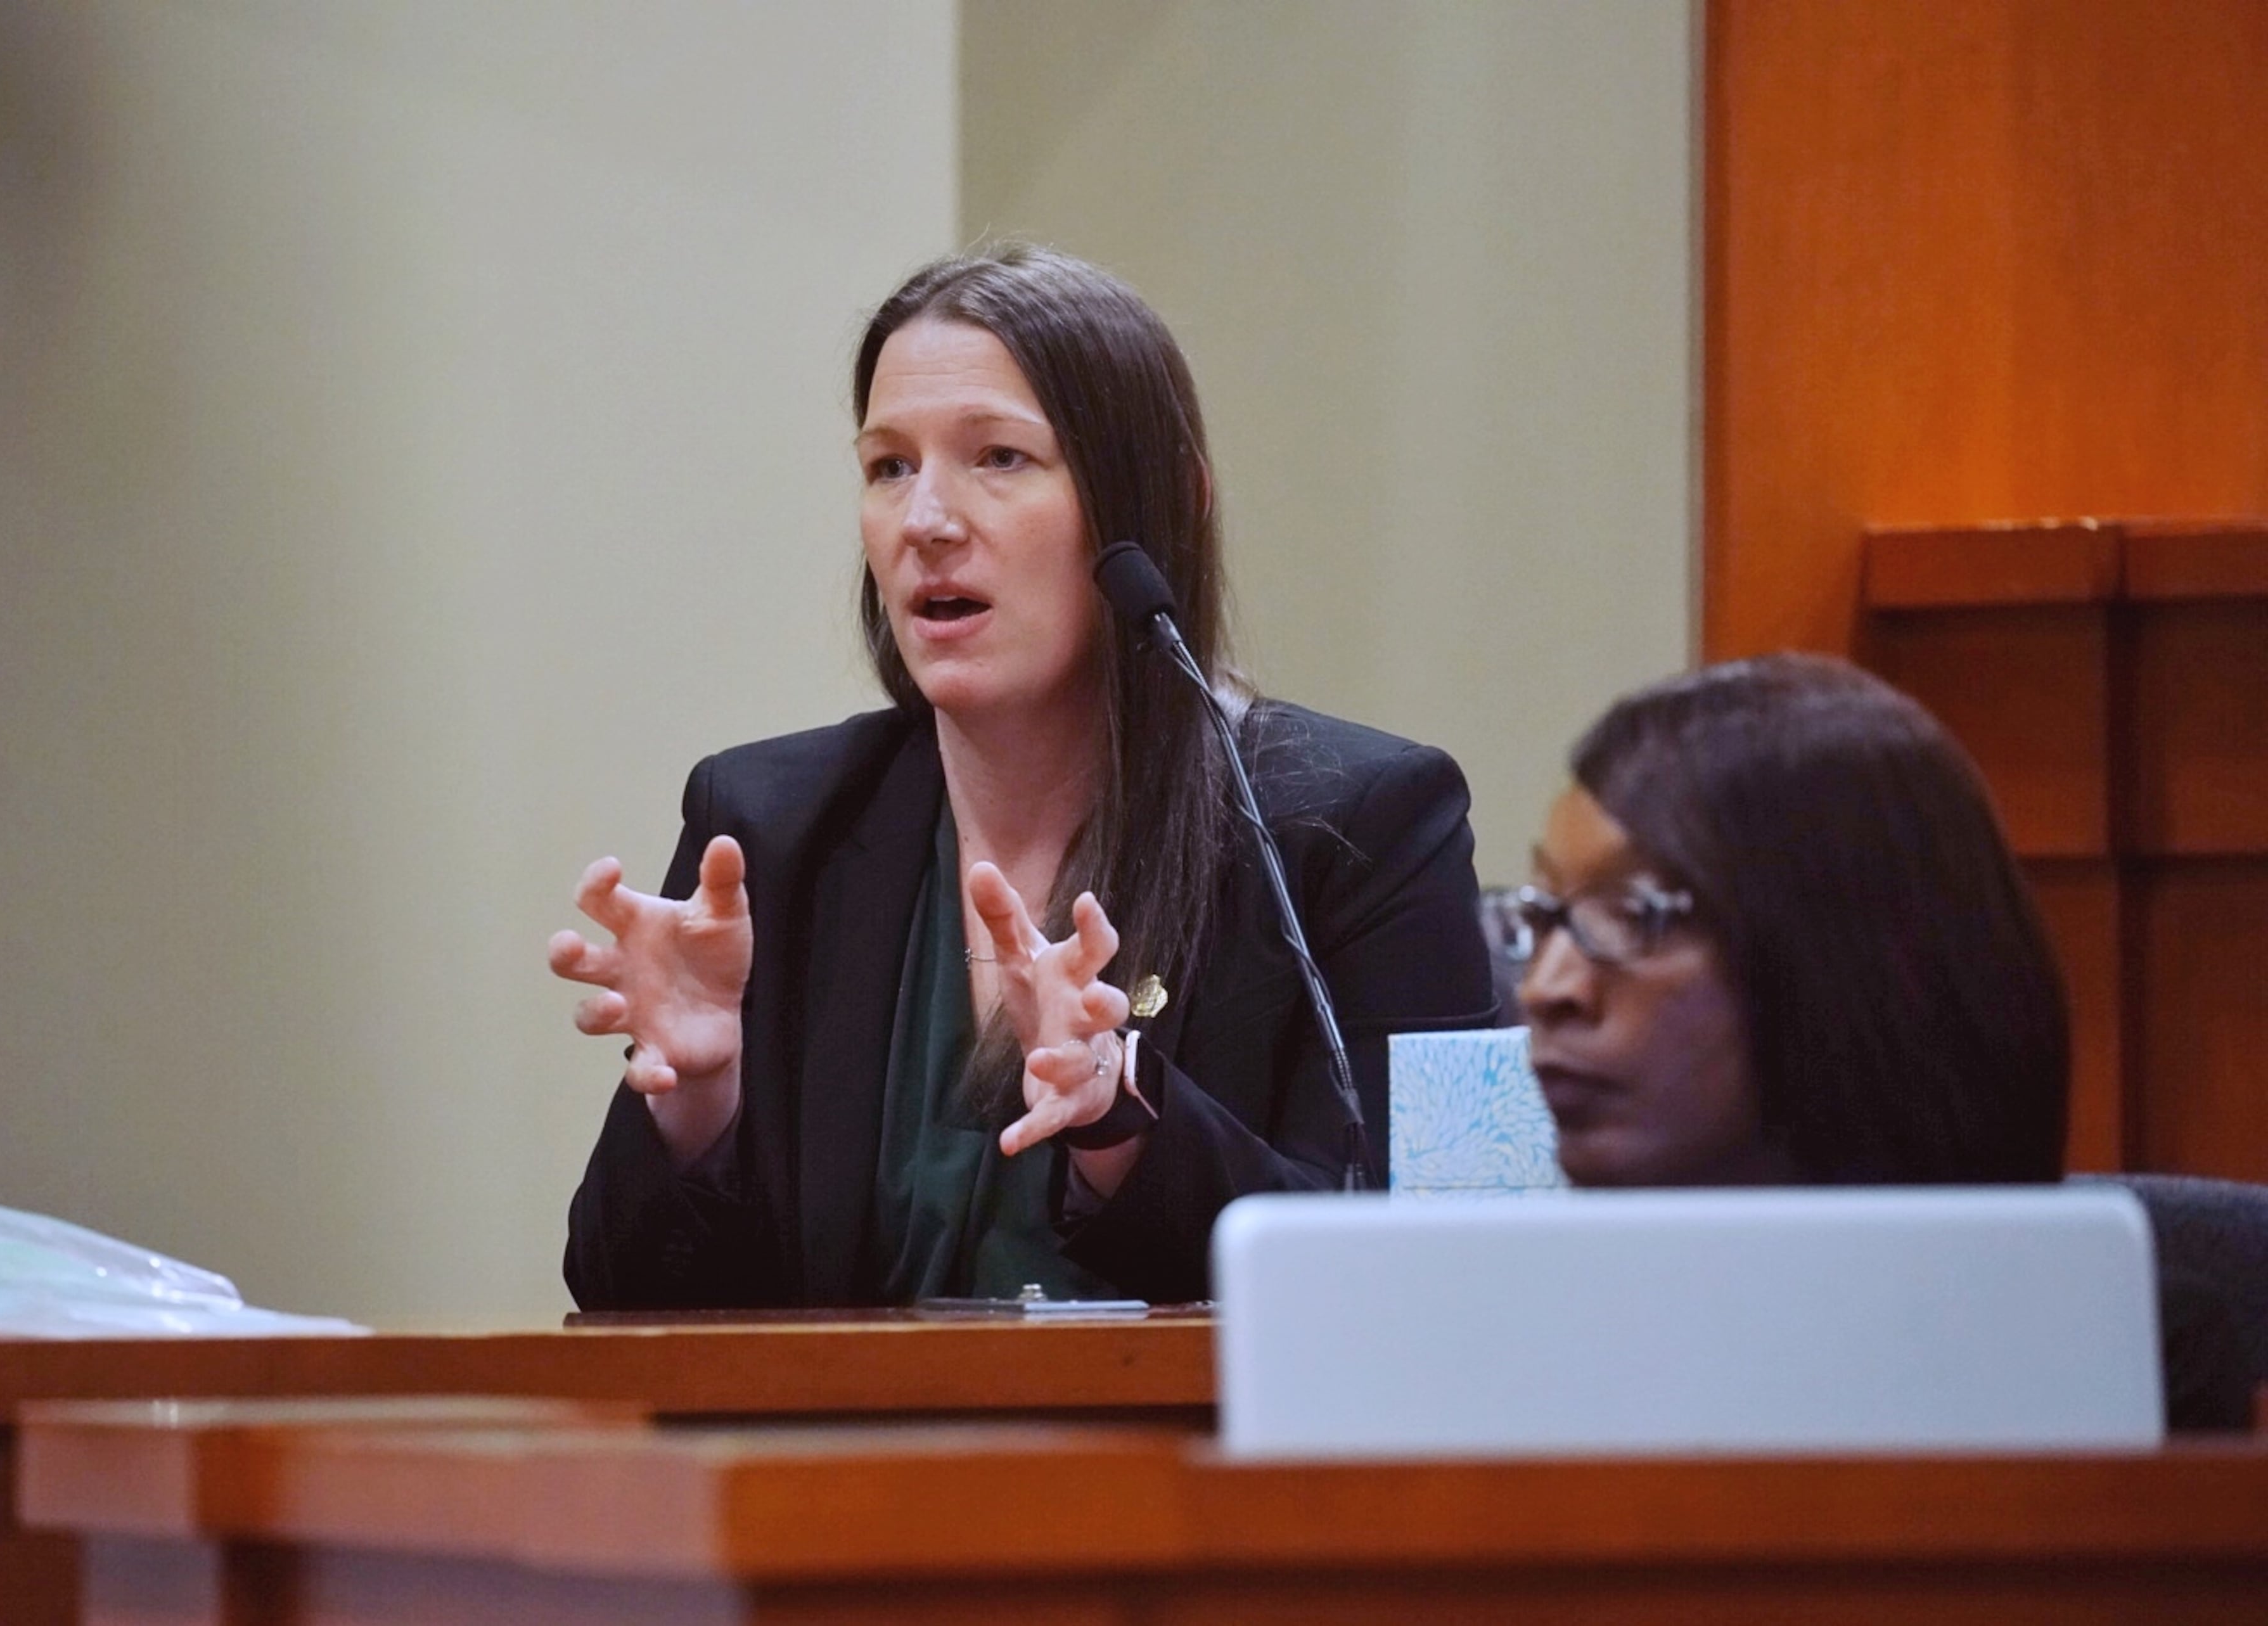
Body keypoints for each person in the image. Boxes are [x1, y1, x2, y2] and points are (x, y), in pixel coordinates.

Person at [555, 246, 1496, 1309]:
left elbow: (1437, 1280)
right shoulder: (768, 828)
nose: (927, 522)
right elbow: (619, 1301)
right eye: (888, 466)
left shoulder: (1368, 825)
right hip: (845, 1477)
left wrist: (1123, 1118)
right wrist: (700, 1103)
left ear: (1160, 504)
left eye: (999, 458)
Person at [1492, 652, 2250, 1429]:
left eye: (1634, 913)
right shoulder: (1502, 1340)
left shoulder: (2125, 1359)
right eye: (1544, 916)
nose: (1548, 988)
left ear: (1846, 956)